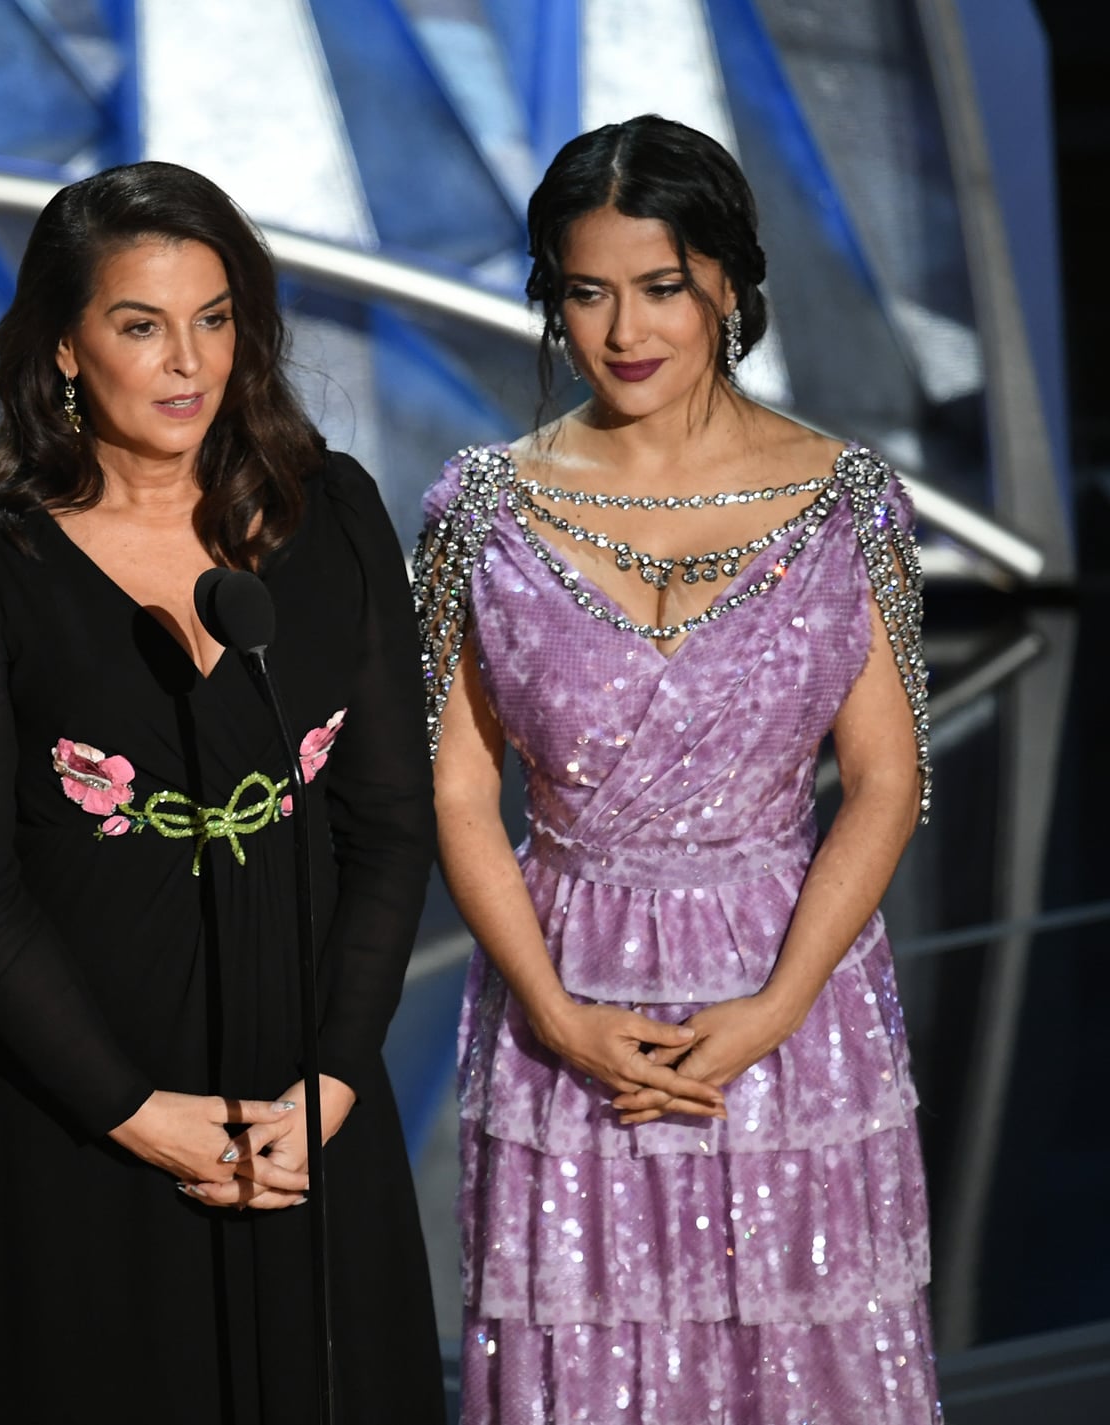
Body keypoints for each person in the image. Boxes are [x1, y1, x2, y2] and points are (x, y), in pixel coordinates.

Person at [0, 161, 444, 1423]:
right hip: (78, 1113)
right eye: (140, 325)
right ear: (61, 349)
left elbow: (386, 821)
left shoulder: (335, 512)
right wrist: (132, 1113)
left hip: (306, 1104)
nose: (186, 360)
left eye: (213, 318)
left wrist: (337, 1080)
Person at [422, 115, 938, 1423]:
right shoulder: (480, 506)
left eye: (659, 286)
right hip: (566, 1004)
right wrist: (550, 1008)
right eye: (586, 291)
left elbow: (886, 782)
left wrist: (773, 1011)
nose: (624, 329)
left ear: (727, 281)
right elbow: (459, 790)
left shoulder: (847, 498)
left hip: (790, 999)